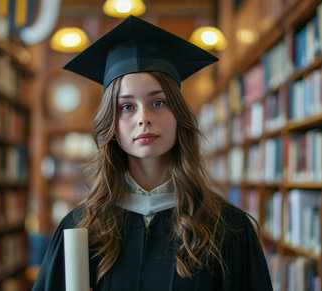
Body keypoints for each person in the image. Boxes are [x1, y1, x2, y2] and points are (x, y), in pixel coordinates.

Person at [32, 15, 273, 291]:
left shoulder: (230, 230)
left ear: (179, 116)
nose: (143, 118)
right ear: (111, 126)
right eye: (126, 107)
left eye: (158, 102)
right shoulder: (79, 229)